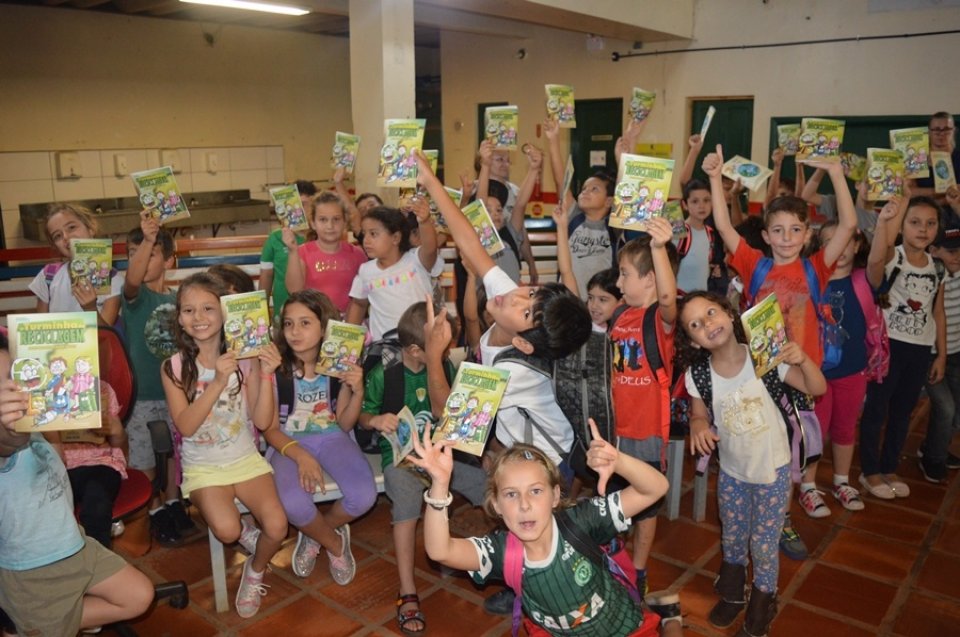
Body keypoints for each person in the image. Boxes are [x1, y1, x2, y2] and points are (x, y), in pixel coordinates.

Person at [703, 145, 857, 560]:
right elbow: (722, 223)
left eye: (795, 230)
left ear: (807, 234)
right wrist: (716, 179)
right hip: (759, 377)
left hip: (800, 376)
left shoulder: (816, 267)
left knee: (791, 455)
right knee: (756, 448)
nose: (786, 238)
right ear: (766, 234)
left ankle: (781, 521)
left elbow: (848, 225)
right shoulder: (755, 265)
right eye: (778, 230)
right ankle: (751, 507)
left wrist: (836, 173)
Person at [408, 419, 678, 637]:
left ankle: (671, 617)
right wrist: (439, 486)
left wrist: (619, 462)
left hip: (622, 628)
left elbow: (656, 488)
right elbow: (440, 550)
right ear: (496, 505)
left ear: (556, 496)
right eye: (511, 494)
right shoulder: (501, 551)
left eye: (536, 491)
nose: (524, 505)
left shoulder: (581, 520)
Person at [677, 291, 826, 637]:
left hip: (772, 470)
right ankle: (732, 592)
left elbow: (816, 387)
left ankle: (763, 598)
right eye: (696, 325)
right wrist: (698, 424)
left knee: (763, 543)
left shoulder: (765, 357)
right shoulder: (698, 375)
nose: (707, 325)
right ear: (693, 341)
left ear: (730, 315)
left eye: (711, 313)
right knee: (732, 535)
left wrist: (802, 359)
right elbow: (699, 411)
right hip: (731, 473)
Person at [0, 337, 154, 635]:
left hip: (75, 545)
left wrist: (50, 419)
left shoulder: (37, 427)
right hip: (34, 570)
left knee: (139, 595)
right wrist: (9, 426)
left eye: (10, 379)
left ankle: (42, 624)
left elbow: (56, 464)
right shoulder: (10, 435)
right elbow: (8, 441)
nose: (9, 393)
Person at [160, 272, 288, 618]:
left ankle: (256, 569)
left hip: (245, 457)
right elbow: (186, 426)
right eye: (188, 310)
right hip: (203, 466)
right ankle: (245, 531)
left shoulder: (246, 358)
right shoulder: (173, 367)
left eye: (207, 308)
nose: (198, 318)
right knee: (228, 530)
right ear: (179, 318)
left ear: (224, 313)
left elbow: (262, 422)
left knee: (277, 526)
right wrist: (217, 380)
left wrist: (266, 373)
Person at [359, 300, 486, 635]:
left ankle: (495, 559)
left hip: (443, 458)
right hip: (400, 459)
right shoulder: (384, 374)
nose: (448, 351)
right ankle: (406, 588)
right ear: (417, 350)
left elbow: (453, 416)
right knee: (406, 506)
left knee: (489, 487)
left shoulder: (443, 367)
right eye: (441, 346)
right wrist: (375, 419)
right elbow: (362, 415)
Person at [259, 289, 376, 582]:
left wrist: (358, 389)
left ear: (324, 328)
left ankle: (315, 534)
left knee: (363, 496)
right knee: (293, 504)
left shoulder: (337, 366)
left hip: (334, 436)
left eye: (305, 323)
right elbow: (270, 429)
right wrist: (301, 455)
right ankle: (334, 542)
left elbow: (346, 424)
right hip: (288, 443)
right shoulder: (277, 370)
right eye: (288, 323)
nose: (294, 332)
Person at [608, 218, 678, 597]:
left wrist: (658, 248)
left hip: (648, 430)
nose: (618, 284)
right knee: (618, 497)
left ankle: (638, 569)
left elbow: (669, 300)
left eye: (624, 275)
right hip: (618, 430)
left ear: (650, 279)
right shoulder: (621, 315)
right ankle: (617, 558)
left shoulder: (659, 319)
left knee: (647, 506)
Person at [861, 195, 945, 499]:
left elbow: (937, 312)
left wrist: (941, 354)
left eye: (930, 223)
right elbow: (873, 264)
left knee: (903, 411)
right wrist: (885, 221)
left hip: (920, 349)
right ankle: (869, 470)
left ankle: (889, 466)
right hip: (888, 347)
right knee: (876, 409)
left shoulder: (937, 267)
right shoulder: (893, 257)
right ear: (903, 226)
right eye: (914, 222)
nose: (923, 229)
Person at [122, 213, 196, 546]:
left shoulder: (178, 299)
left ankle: (172, 503)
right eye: (133, 253)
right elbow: (133, 279)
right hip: (144, 395)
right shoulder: (135, 299)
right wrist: (148, 239)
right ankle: (152, 511)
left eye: (149, 252)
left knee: (174, 455)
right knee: (145, 458)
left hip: (177, 393)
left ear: (168, 260)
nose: (139, 258)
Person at [803, 221, 875, 515]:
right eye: (831, 241)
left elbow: (881, 254)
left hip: (852, 370)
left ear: (857, 245)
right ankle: (807, 486)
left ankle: (841, 481)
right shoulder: (810, 280)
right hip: (815, 374)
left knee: (846, 427)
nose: (840, 248)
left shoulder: (864, 279)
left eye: (846, 241)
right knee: (814, 431)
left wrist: (884, 222)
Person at [44, 381, 128, 549]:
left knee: (97, 502)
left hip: (100, 463)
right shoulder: (39, 393)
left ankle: (99, 555)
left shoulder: (102, 388)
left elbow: (121, 448)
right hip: (56, 467)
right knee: (51, 512)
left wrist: (118, 432)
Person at [544, 118, 618, 299]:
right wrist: (553, 140)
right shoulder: (574, 216)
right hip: (569, 299)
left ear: (609, 201)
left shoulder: (613, 227)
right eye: (584, 188)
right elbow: (561, 181)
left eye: (594, 189)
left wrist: (622, 157)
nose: (585, 192)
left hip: (600, 304)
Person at [345, 202, 441, 342]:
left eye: (373, 234)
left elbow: (430, 248)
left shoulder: (415, 261)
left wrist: (424, 221)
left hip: (422, 341)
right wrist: (349, 340)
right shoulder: (366, 271)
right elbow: (359, 304)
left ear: (396, 238)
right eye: (364, 234)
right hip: (385, 346)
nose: (366, 240)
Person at [29, 202, 124, 326]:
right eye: (57, 236)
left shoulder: (113, 279)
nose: (66, 237)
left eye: (71, 227)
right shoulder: (48, 276)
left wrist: (90, 308)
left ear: (91, 228)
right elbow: (41, 327)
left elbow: (106, 335)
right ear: (55, 246)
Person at [919, 212, 960, 481]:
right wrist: (940, 356)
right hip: (931, 355)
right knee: (945, 407)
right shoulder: (934, 276)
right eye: (950, 251)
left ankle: (933, 447)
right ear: (933, 250)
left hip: (956, 353)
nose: (957, 256)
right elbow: (936, 316)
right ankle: (933, 458)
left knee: (955, 410)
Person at [285, 191, 367, 318]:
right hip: (314, 324)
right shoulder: (302, 252)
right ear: (313, 223)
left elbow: (363, 297)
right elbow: (294, 291)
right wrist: (292, 251)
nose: (330, 226)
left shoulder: (357, 254)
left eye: (336, 219)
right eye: (323, 220)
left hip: (348, 326)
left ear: (345, 222)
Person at [260, 179, 313, 319]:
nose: (299, 210)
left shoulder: (321, 239)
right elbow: (266, 276)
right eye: (296, 204)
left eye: (305, 204)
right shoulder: (275, 239)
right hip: (283, 309)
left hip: (313, 308)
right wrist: (261, 311)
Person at [675, 178, 728, 294]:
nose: (701, 206)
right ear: (684, 205)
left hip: (700, 300)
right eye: (695, 201)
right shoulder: (678, 229)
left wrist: (711, 269)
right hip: (679, 300)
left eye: (706, 200)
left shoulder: (710, 232)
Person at [913, 112, 959, 199]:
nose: (941, 134)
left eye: (946, 129)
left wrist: (924, 192)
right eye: (936, 129)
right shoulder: (917, 159)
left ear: (954, 130)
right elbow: (909, 192)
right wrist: (943, 191)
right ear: (929, 131)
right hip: (922, 210)